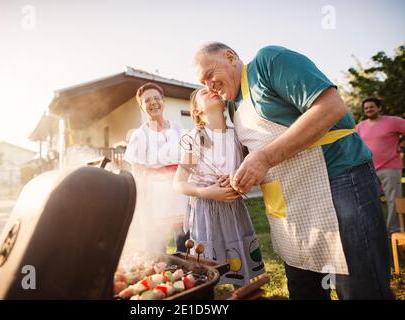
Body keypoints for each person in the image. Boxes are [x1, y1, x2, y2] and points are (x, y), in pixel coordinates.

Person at [193, 42, 393, 299]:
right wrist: (239, 174)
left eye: (210, 75)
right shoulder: (232, 106)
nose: (209, 86)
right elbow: (258, 150)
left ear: (230, 57)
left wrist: (264, 158)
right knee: (303, 290)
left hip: (338, 182)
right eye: (203, 82)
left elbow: (331, 107)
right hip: (290, 208)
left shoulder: (269, 61)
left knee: (359, 289)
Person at [173, 87, 265, 287]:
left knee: (237, 257)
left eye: (211, 90)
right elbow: (178, 183)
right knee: (208, 266)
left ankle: (242, 291)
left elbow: (248, 171)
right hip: (206, 210)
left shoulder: (237, 136)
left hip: (233, 209)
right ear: (197, 111)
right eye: (204, 94)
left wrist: (236, 179)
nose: (211, 91)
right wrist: (207, 191)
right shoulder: (198, 137)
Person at [123, 82, 188, 253]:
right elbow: (136, 173)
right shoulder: (139, 135)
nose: (153, 103)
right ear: (141, 106)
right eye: (147, 100)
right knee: (157, 247)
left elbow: (188, 159)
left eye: (156, 98)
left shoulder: (177, 127)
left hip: (179, 191)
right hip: (155, 195)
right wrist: (141, 201)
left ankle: (188, 276)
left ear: (163, 101)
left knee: (185, 242)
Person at [356, 98, 405, 235]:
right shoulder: (360, 126)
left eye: (372, 107)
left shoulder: (393, 121)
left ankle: (393, 230)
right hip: (368, 169)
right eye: (366, 108)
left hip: (390, 167)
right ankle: (375, 231)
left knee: (393, 200)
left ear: (379, 108)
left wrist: (401, 145)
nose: (369, 110)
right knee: (368, 201)